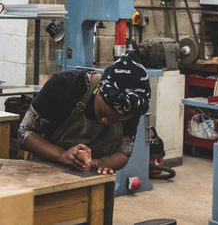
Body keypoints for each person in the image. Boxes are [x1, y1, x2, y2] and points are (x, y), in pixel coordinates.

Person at [18, 53, 151, 175]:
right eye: (103, 112)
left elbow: (123, 152)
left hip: (91, 179)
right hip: (45, 173)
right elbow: (24, 132)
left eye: (114, 121)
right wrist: (62, 155)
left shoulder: (131, 106)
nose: (105, 122)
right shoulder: (64, 85)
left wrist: (102, 162)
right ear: (99, 89)